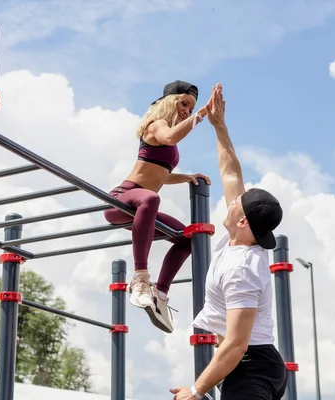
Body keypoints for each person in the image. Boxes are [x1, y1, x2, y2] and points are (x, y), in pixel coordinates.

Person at [169, 83, 288, 400]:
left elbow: (236, 343)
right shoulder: (239, 238)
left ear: (243, 220)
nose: (231, 201)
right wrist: (219, 126)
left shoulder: (242, 269)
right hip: (248, 365)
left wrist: (196, 391)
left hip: (251, 366)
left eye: (237, 203)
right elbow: (231, 172)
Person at [104, 80, 212, 334]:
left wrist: (185, 177)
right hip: (123, 199)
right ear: (169, 101)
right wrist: (203, 114)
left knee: (189, 238)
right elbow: (171, 135)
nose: (187, 110)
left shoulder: (169, 140)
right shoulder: (156, 126)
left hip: (141, 206)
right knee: (151, 199)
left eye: (191, 107)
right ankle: (140, 278)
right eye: (184, 103)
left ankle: (160, 294)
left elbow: (159, 173)